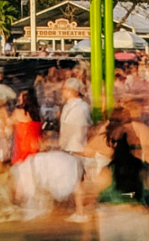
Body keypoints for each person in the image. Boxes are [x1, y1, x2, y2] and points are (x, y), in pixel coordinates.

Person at [59, 77, 91, 223]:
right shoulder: (69, 106)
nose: (63, 91)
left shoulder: (81, 108)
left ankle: (81, 212)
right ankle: (78, 210)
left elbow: (77, 129)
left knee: (78, 181)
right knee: (75, 181)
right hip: (70, 147)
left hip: (76, 148)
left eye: (66, 89)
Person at [10, 88, 43, 164]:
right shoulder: (37, 114)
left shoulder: (18, 112)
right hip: (35, 147)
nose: (18, 97)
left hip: (22, 146)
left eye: (20, 96)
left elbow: (8, 126)